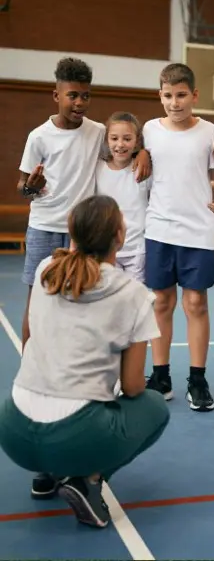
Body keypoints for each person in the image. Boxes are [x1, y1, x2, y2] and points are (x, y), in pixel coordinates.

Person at [0, 195, 170, 529]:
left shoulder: (46, 269)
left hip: (13, 429)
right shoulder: (134, 294)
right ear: (120, 235)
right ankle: (87, 480)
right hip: (74, 434)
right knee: (154, 406)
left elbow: (30, 334)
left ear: (72, 233)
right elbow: (134, 386)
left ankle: (47, 474)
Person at [17, 57, 150, 348]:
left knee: (79, 301)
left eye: (86, 96)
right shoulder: (38, 137)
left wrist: (143, 152)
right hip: (44, 228)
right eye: (72, 95)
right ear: (56, 96)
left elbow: (121, 146)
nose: (79, 102)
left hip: (82, 232)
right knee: (37, 298)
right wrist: (30, 188)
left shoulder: (97, 131)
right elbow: (22, 187)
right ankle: (30, 364)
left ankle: (70, 359)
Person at [143, 63, 214, 411]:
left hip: (198, 230)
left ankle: (197, 379)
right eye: (167, 95)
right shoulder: (149, 130)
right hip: (159, 228)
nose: (174, 102)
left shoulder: (210, 132)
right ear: (160, 96)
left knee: (195, 304)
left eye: (180, 95)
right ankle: (161, 376)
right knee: (161, 302)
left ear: (194, 95)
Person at [95, 111, 150, 282]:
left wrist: (145, 152)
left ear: (137, 141)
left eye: (127, 139)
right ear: (107, 140)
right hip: (107, 249)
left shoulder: (143, 169)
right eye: (114, 138)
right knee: (109, 294)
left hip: (137, 250)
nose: (120, 144)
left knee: (135, 295)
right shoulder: (97, 169)